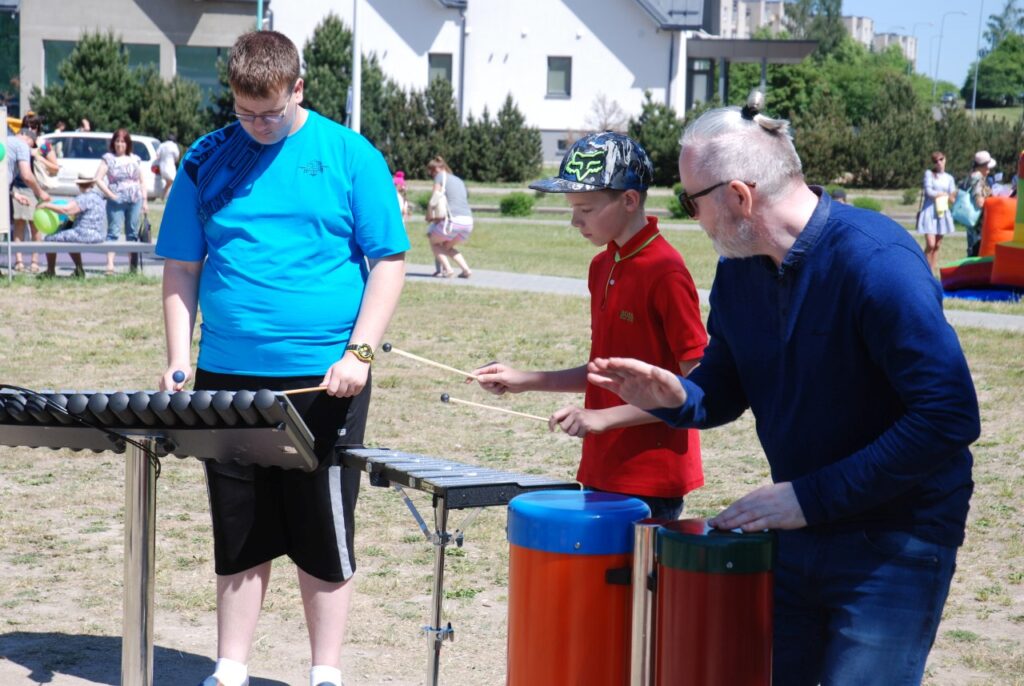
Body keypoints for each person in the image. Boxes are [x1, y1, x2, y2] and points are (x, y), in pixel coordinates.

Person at [588, 92, 980, 685]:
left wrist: (807, 499)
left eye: (691, 204)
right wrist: (674, 398)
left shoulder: (877, 262)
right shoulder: (741, 265)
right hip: (799, 528)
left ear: (739, 197)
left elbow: (948, 417)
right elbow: (725, 382)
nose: (691, 221)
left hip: (897, 537)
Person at [156, 30, 408, 686]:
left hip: (326, 381)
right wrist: (179, 360)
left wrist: (360, 354)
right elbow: (183, 268)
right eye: (245, 112)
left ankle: (326, 673)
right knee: (239, 526)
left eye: (271, 112)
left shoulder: (351, 156)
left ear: (298, 88)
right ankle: (230, 668)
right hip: (226, 379)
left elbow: (388, 261)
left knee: (321, 528)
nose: (259, 126)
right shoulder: (206, 158)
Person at [473, 132, 707, 519]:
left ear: (629, 200)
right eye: (571, 207)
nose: (573, 220)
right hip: (603, 467)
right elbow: (604, 371)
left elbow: (695, 388)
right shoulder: (603, 265)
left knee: (638, 581)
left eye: (585, 208)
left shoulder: (665, 271)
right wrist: (526, 379)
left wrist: (603, 419)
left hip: (651, 475)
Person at [94, 128, 147, 274]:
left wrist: (145, 200)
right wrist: (110, 194)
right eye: (117, 141)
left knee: (133, 233)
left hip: (135, 199)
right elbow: (97, 179)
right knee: (113, 232)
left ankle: (133, 266)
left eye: (123, 141)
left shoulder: (135, 158)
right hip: (116, 200)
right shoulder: (108, 158)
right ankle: (110, 265)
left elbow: (142, 181)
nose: (119, 144)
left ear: (127, 144)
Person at [39, 174, 107, 277]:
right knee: (69, 237)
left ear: (79, 184)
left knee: (49, 238)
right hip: (98, 235)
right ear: (92, 184)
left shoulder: (83, 198)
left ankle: (50, 270)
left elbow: (66, 210)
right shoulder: (98, 197)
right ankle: (79, 270)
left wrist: (46, 205)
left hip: (83, 234)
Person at [7, 127, 52, 273]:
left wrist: (14, 195)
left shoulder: (5, 142)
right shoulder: (21, 146)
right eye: (31, 144)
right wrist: (40, 192)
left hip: (12, 192)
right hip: (24, 188)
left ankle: (32, 261)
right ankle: (26, 262)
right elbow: (26, 175)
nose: (30, 148)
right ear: (26, 137)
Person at [425, 155, 473, 278]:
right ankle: (466, 270)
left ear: (435, 170)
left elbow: (435, 197)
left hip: (453, 221)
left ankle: (448, 269)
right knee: (447, 246)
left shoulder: (440, 176)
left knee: (434, 242)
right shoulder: (458, 180)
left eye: (431, 173)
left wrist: (429, 215)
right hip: (468, 222)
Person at [916, 151, 957, 272]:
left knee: (937, 246)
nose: (938, 162)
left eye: (941, 159)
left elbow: (952, 193)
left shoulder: (949, 178)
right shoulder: (929, 174)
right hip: (929, 211)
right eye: (935, 161)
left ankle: (931, 271)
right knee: (931, 244)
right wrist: (943, 194)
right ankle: (922, 267)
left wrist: (952, 197)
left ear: (945, 159)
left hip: (942, 211)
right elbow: (929, 191)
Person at [963, 150, 995, 257]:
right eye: (988, 166)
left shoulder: (971, 177)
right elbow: (980, 202)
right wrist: (993, 201)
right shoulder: (978, 179)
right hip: (978, 227)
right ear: (983, 166)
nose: (989, 169)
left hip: (973, 225)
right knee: (976, 254)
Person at [156, 133, 181, 201]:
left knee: (169, 181)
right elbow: (177, 157)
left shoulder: (162, 145)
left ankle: (163, 195)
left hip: (162, 165)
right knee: (173, 180)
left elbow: (157, 155)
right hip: (170, 165)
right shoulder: (174, 146)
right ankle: (166, 195)